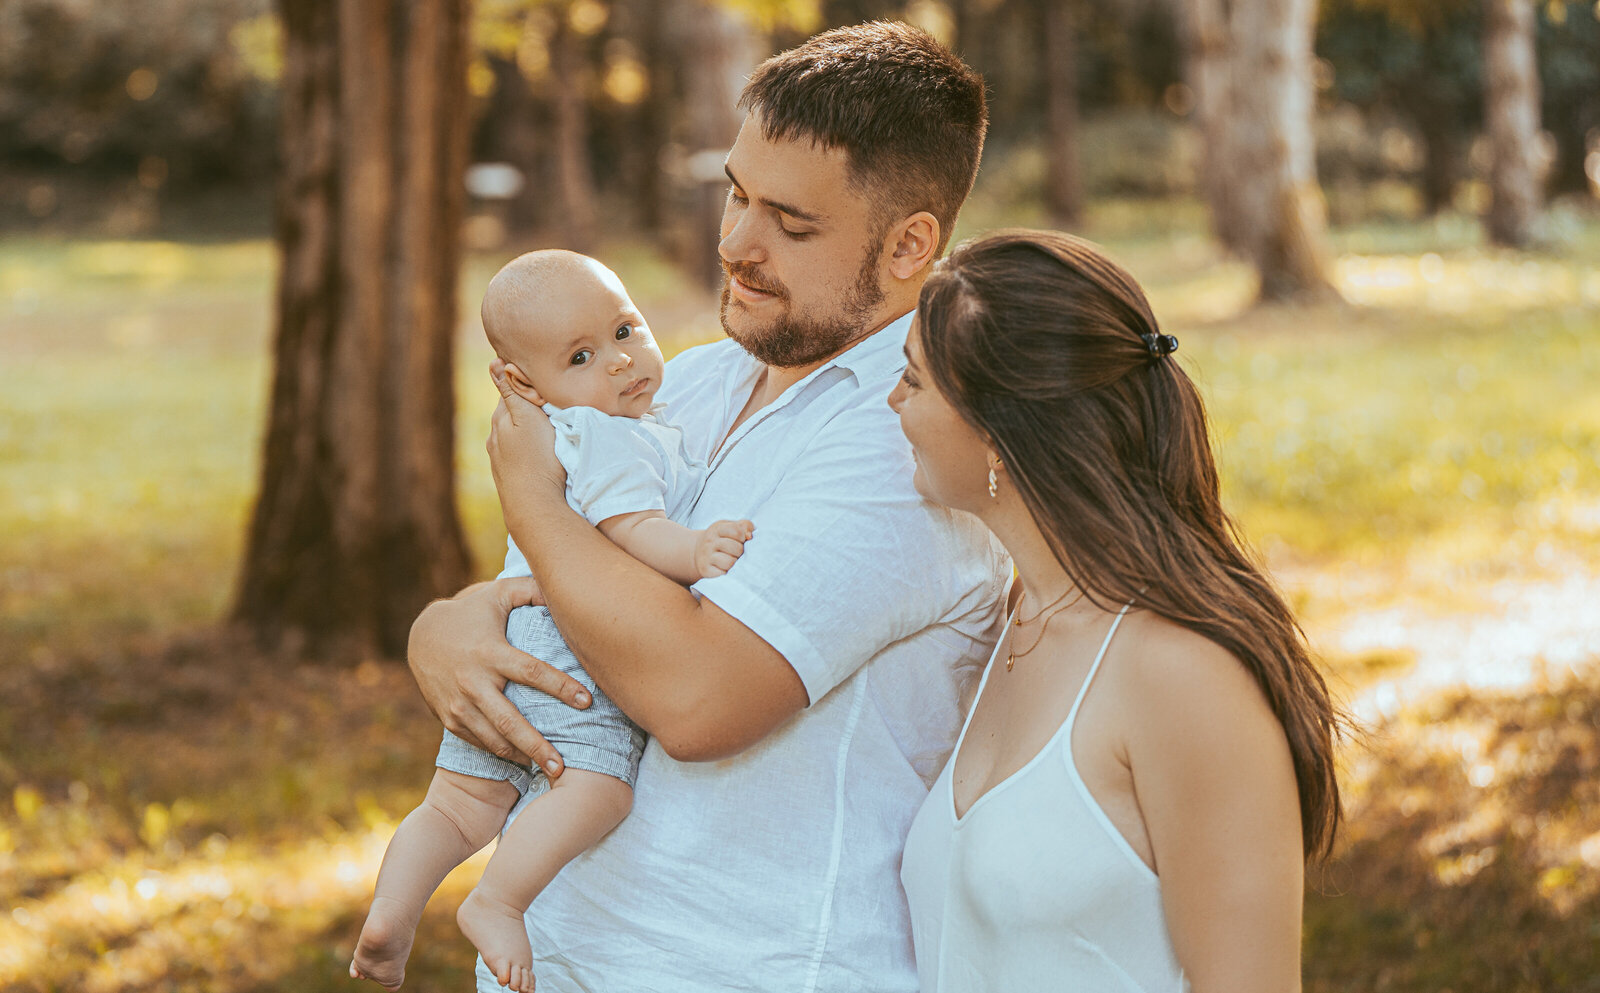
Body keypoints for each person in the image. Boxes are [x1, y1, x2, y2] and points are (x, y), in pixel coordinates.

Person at [407, 21, 1008, 993]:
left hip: (744, 966)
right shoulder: (684, 384)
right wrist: (449, 625)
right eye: (735, 193)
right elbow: (560, 603)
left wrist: (531, 499)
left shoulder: (909, 440)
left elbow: (697, 696)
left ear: (909, 246)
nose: (735, 242)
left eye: (790, 223)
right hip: (559, 955)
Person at [891, 229, 1345, 992]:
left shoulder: (1184, 675)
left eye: (914, 380)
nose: (893, 401)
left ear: (998, 429)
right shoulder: (1012, 625)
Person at [351, 250, 755, 991]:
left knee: (460, 801)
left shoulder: (580, 429)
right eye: (581, 355)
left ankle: (390, 912)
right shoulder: (610, 435)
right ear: (527, 385)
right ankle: (500, 900)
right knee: (600, 788)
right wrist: (696, 549)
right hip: (572, 648)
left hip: (515, 634)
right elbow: (631, 528)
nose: (620, 361)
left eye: (626, 328)